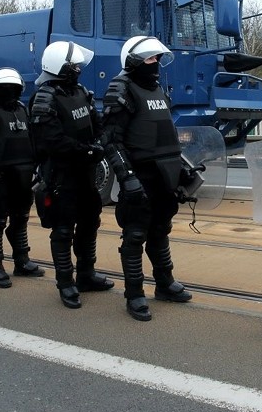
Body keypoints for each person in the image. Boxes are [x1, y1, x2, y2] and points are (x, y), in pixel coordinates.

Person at [102, 36, 193, 321]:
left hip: (164, 174)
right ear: (134, 61)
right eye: (151, 59)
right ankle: (134, 293)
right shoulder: (121, 88)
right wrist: (127, 178)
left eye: (158, 59)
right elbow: (111, 140)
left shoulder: (158, 90)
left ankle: (164, 284)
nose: (156, 64)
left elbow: (167, 135)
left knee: (160, 231)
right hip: (140, 174)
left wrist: (182, 169)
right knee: (135, 235)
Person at [29, 41, 114, 309]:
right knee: (63, 230)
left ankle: (86, 275)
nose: (78, 69)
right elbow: (51, 142)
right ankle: (65, 283)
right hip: (61, 176)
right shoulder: (44, 98)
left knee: (90, 224)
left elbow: (96, 123)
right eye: (73, 65)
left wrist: (99, 143)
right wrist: (88, 151)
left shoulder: (80, 91)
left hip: (86, 174)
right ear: (60, 67)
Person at [0, 67, 45, 288]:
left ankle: (22, 261)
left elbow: (32, 141)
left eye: (13, 88)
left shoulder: (22, 109)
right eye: (5, 89)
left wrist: (36, 170)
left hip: (23, 178)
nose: (9, 92)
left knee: (20, 220)